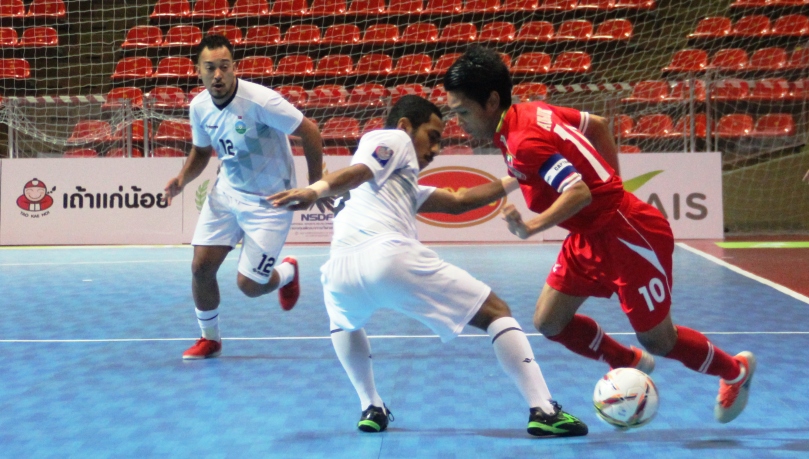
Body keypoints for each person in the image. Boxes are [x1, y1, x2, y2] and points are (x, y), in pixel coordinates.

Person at [443, 45, 756, 424]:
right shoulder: (529, 113)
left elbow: (578, 192)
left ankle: (735, 371)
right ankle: (624, 360)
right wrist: (611, 179)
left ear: (491, 101)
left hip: (628, 235)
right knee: (549, 322)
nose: (457, 121)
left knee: (659, 339)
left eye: (461, 111)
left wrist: (531, 227)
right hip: (588, 235)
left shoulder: (524, 142)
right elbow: (598, 125)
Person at [269, 95, 588, 437]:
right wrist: (315, 190)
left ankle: (371, 406)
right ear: (406, 126)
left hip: (338, 274)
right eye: (433, 136)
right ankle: (543, 408)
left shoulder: (396, 185)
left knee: (343, 323)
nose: (436, 148)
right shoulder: (391, 138)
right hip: (388, 258)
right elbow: (359, 171)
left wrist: (520, 174)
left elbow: (458, 201)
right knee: (496, 311)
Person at [164, 35, 326, 360]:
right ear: (199, 71)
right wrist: (182, 178)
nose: (218, 75)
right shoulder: (198, 107)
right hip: (227, 193)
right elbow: (201, 151)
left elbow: (310, 130)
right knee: (200, 268)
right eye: (210, 68)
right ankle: (210, 338)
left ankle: (288, 273)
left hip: (271, 201)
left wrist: (314, 185)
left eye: (224, 67)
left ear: (234, 67)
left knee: (249, 286)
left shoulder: (260, 102)